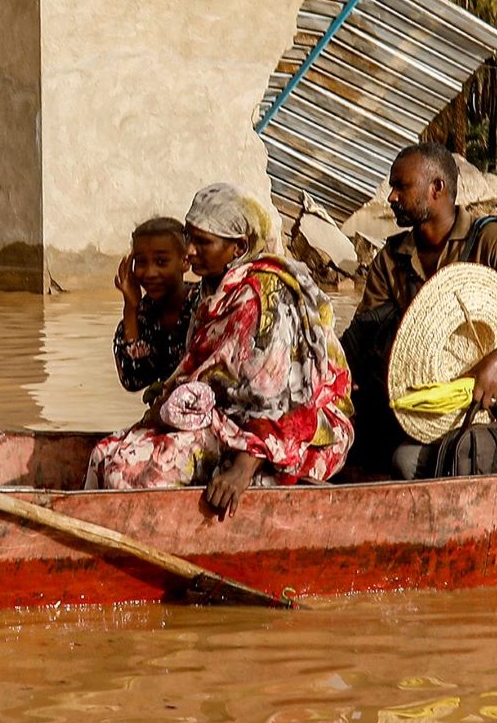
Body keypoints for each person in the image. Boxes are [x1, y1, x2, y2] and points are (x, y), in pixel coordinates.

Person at [84, 183, 354, 515]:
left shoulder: (263, 297)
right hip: (226, 422)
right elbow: (141, 376)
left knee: (124, 473)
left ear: (238, 246)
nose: (191, 252)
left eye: (203, 242)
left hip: (287, 437)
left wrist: (240, 470)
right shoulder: (210, 295)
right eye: (189, 238)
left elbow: (279, 405)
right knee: (103, 454)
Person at [342, 142, 497, 477]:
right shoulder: (392, 258)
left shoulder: (492, 241)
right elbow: (361, 340)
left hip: (480, 413)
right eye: (392, 187)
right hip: (409, 406)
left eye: (401, 187)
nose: (391, 197)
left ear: (437, 188)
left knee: (406, 462)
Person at [113, 215, 196, 398]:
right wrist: (130, 309)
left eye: (161, 262)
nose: (150, 273)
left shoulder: (204, 305)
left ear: (185, 262)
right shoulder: (143, 314)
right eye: (141, 262)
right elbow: (133, 380)